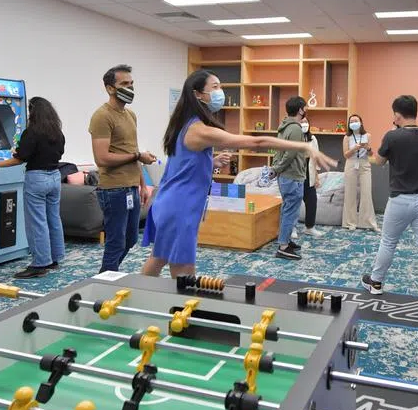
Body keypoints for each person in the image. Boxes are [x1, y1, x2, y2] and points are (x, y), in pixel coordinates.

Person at [141, 71, 336, 277]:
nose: (220, 92)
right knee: (183, 268)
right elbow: (256, 142)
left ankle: (138, 295)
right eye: (214, 87)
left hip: (173, 201)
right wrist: (305, 147)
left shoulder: (187, 124)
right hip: (180, 205)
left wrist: (212, 161)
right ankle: (175, 304)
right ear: (198, 94)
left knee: (161, 257)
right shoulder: (198, 130)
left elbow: (182, 165)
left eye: (220, 86)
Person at [361, 95, 418, 312]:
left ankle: (376, 283)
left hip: (399, 199)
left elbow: (379, 162)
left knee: (388, 242)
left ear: (397, 115)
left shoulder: (392, 136)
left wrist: (383, 146)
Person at [0, 97, 65, 279]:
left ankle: (40, 263)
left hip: (37, 179)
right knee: (53, 219)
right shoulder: (57, 132)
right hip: (55, 177)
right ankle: (55, 259)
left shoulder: (32, 132)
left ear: (33, 111)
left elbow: (20, 158)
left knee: (37, 222)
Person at [89, 64, 157, 274]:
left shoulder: (130, 115)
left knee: (129, 239)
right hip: (113, 190)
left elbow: (131, 150)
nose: (130, 88)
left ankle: (108, 274)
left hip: (130, 188)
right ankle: (105, 281)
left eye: (132, 84)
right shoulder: (102, 116)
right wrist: (138, 156)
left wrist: (142, 184)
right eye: (124, 84)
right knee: (116, 242)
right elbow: (102, 158)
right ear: (110, 88)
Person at [270, 96, 309, 259]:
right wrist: (277, 169)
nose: (306, 110)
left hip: (288, 176)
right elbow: (290, 154)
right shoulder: (295, 129)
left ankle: (285, 241)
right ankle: (283, 247)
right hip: (291, 176)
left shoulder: (285, 126)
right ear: (300, 110)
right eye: (305, 107)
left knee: (289, 210)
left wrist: (276, 169)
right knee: (289, 211)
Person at [342, 113, 379, 231]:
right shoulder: (347, 137)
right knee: (350, 194)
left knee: (366, 193)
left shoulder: (367, 135)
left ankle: (368, 223)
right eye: (351, 121)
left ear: (361, 122)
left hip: (364, 164)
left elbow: (371, 154)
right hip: (351, 163)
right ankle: (350, 223)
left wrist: (368, 148)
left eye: (356, 121)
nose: (353, 123)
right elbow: (346, 155)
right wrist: (354, 148)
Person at [301, 120, 321, 238]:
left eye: (306, 122)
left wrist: (317, 176)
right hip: (298, 172)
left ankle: (310, 227)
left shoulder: (313, 138)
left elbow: (316, 157)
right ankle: (292, 228)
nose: (304, 125)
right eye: (302, 122)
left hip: (310, 172)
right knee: (296, 201)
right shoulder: (293, 137)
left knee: (312, 201)